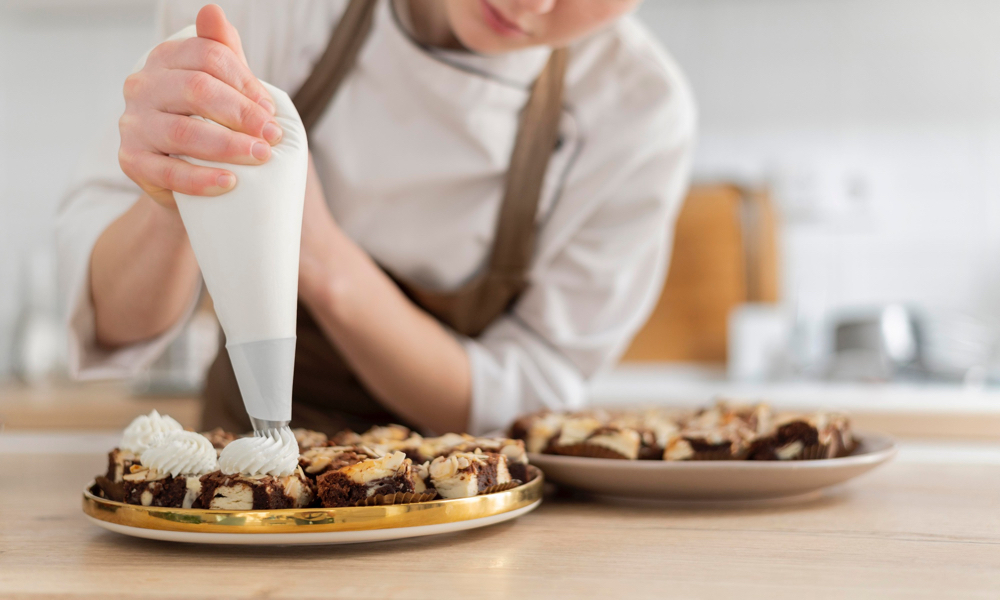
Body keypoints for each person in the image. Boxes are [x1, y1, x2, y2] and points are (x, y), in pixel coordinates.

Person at [57, 0, 696, 436]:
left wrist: (323, 260)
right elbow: (114, 324)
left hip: (468, 528)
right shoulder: (279, 10)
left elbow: (531, 402)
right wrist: (181, 191)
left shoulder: (637, 115)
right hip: (236, 507)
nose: (528, 1)